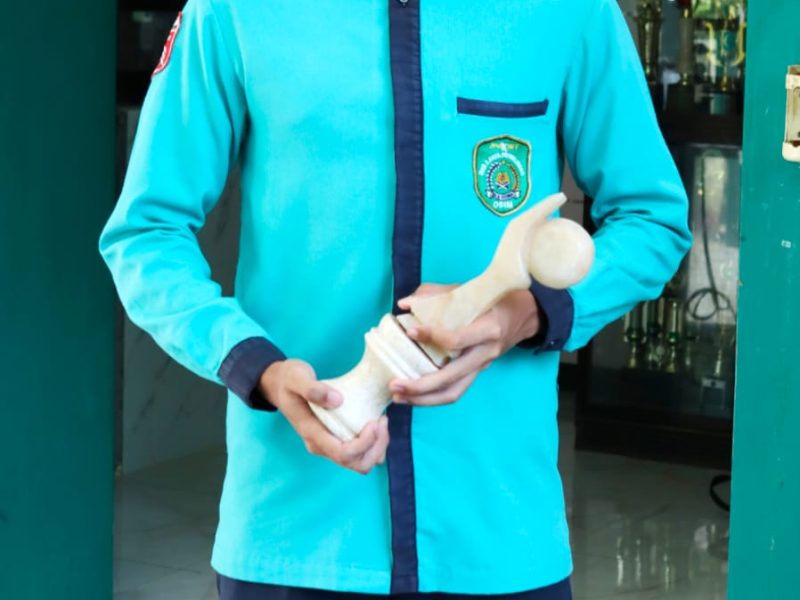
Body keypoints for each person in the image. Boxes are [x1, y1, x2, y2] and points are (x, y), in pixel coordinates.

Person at [100, 0, 692, 598]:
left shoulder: (572, 11)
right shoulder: (231, 11)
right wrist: (259, 366)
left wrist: (523, 315)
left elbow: (651, 216)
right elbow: (146, 234)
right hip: (295, 535)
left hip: (498, 531)